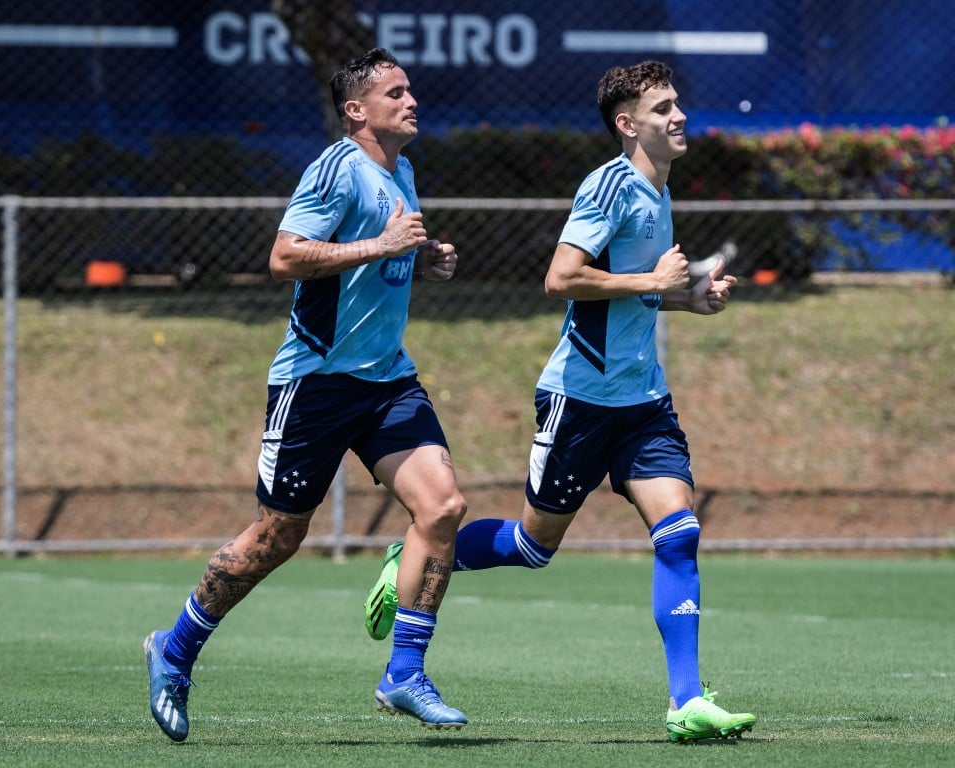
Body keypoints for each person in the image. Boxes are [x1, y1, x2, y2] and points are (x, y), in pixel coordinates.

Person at [363, 60, 757, 743]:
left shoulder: (659, 189)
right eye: (663, 108)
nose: (679, 116)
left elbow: (637, 289)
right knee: (532, 546)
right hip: (580, 399)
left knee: (680, 532)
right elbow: (561, 278)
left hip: (643, 401)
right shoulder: (608, 186)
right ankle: (422, 557)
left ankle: (687, 702)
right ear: (628, 124)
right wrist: (650, 280)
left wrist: (685, 298)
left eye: (677, 104)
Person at [144, 47, 469, 742]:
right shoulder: (334, 167)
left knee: (444, 507)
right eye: (396, 93)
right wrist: (381, 247)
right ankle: (172, 652)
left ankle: (404, 674)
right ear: (357, 111)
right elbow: (286, 255)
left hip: (386, 379)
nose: (412, 101)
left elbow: (386, 245)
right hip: (316, 381)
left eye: (411, 91)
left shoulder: (402, 169)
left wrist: (422, 254)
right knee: (277, 537)